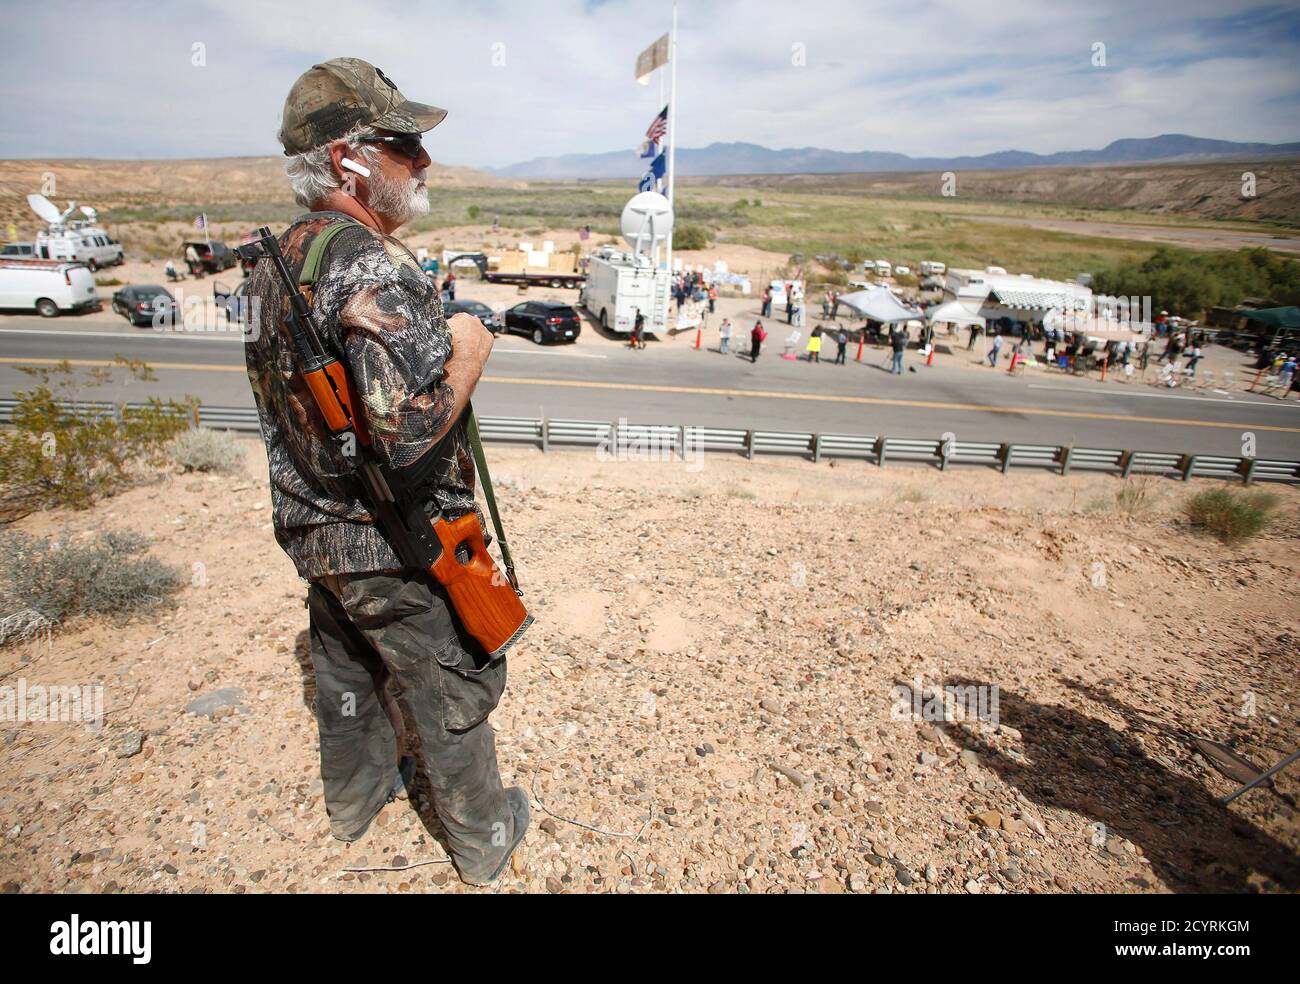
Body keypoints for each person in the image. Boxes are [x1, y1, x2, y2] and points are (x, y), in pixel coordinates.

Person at [242, 57, 528, 886]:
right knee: (449, 692)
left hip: (313, 533)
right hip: (393, 542)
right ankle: (483, 841)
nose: (424, 161)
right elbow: (405, 437)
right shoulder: (367, 264)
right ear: (349, 160)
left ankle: (353, 804)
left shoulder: (269, 261)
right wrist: (470, 348)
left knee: (346, 671)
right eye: (405, 144)